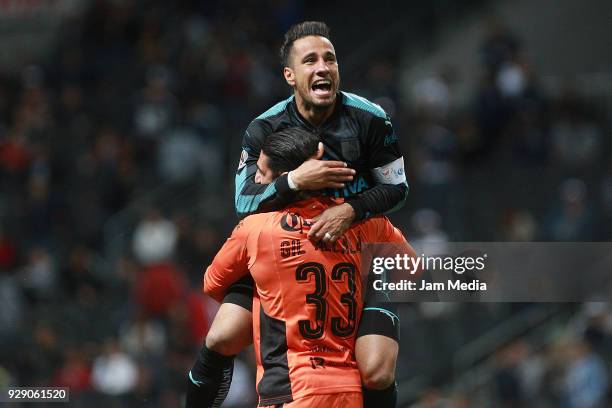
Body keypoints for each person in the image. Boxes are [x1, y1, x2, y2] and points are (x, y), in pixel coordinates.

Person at [189, 21, 408, 407]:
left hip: (355, 248)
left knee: (376, 370)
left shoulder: (371, 119)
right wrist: (293, 181)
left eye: (330, 59)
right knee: (222, 336)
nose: (322, 67)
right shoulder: (264, 128)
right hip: (282, 249)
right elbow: (244, 200)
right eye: (310, 60)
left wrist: (351, 210)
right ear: (290, 75)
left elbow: (397, 188)